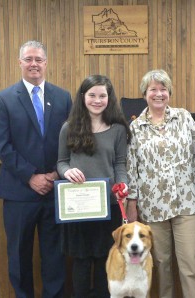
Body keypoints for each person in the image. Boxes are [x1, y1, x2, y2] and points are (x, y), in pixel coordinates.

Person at [0, 40, 72, 298]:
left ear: (46, 63)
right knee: (18, 256)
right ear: (20, 63)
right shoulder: (4, 99)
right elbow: (2, 145)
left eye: (38, 59)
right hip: (19, 193)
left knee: (55, 257)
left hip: (54, 190)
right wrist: (31, 176)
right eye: (28, 59)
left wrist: (56, 173)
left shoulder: (63, 97)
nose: (34, 64)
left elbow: (71, 140)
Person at [126, 69, 195, 298]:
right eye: (153, 89)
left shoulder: (184, 117)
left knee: (191, 264)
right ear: (144, 94)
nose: (158, 94)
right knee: (161, 265)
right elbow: (132, 168)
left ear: (169, 92)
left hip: (187, 203)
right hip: (152, 206)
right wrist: (132, 204)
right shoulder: (136, 127)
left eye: (163, 89)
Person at [57, 74, 131, 298]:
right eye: (92, 95)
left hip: (107, 207)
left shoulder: (118, 129)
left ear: (109, 98)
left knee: (104, 261)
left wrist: (123, 185)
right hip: (77, 208)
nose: (97, 100)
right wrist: (67, 172)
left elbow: (120, 163)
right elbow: (61, 162)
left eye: (102, 95)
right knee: (80, 262)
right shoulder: (68, 127)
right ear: (83, 97)